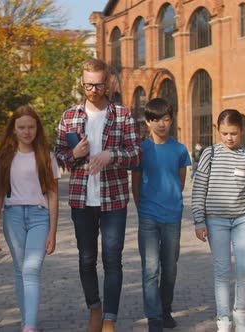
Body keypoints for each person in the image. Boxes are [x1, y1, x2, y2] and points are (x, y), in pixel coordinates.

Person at [55, 58, 140, 332]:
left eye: (99, 84)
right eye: (88, 84)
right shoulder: (69, 116)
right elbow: (58, 157)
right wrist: (74, 154)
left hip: (113, 199)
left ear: (108, 83)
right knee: (86, 258)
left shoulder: (122, 114)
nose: (93, 89)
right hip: (81, 200)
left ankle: (110, 319)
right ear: (82, 82)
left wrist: (111, 155)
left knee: (113, 259)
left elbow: (136, 153)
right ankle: (95, 308)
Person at [192, 109, 245, 332]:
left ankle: (240, 314)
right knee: (222, 271)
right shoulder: (209, 154)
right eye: (224, 133)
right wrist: (198, 220)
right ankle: (223, 320)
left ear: (241, 130)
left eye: (233, 133)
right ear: (218, 131)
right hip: (216, 221)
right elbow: (199, 188)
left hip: (243, 219)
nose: (229, 138)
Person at [0, 106, 60, 332]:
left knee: (31, 269)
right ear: (14, 129)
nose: (27, 131)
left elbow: (52, 194)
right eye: (21, 127)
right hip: (13, 217)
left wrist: (53, 231)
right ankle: (26, 322)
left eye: (31, 126)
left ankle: (29, 326)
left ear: (38, 128)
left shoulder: (47, 157)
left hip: (40, 217)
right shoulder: (5, 158)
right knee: (20, 270)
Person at [131, 98, 191, 332]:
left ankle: (166, 309)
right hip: (148, 215)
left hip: (172, 217)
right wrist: (141, 207)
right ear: (147, 122)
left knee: (170, 267)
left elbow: (181, 180)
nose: (161, 124)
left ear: (171, 120)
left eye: (165, 119)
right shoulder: (141, 150)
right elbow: (135, 184)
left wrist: (172, 202)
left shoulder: (179, 149)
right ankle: (154, 316)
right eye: (155, 120)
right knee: (150, 268)